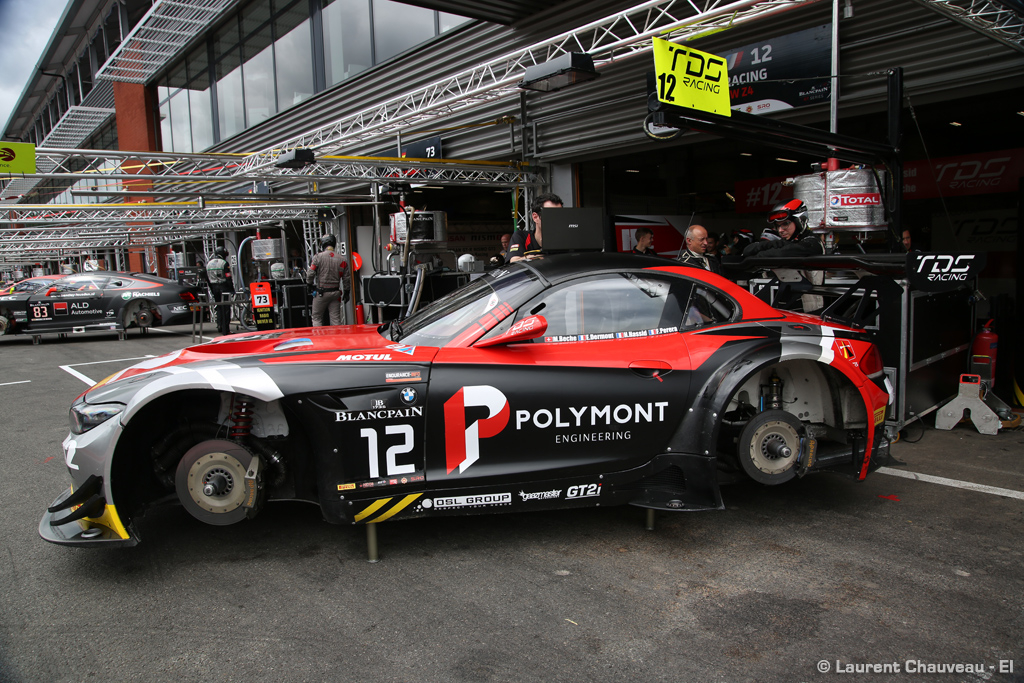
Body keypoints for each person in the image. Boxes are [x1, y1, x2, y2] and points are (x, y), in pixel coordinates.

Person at [743, 200, 825, 311]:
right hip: (785, 305)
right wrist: (769, 245)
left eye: (785, 224)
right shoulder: (786, 242)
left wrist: (760, 256)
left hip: (809, 307)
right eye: (778, 226)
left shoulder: (813, 242)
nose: (780, 230)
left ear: (800, 221)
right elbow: (747, 250)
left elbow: (782, 253)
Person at [306, 234, 349, 326]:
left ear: (323, 243)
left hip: (321, 293)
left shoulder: (318, 257)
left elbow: (310, 273)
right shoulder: (342, 259)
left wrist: (309, 284)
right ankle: (337, 335)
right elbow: (346, 278)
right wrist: (347, 292)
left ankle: (318, 335)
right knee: (336, 319)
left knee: (317, 317)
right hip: (335, 293)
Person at [507, 192, 563, 262]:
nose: (555, 219)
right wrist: (540, 257)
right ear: (535, 217)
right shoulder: (522, 237)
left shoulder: (566, 240)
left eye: (559, 214)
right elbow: (514, 261)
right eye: (550, 214)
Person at [206, 247, 233, 335]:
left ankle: (219, 325)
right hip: (223, 287)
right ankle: (226, 329)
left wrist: (212, 289)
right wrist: (232, 289)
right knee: (226, 308)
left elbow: (207, 279)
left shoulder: (209, 263)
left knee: (219, 307)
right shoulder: (224, 263)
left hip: (214, 287)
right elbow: (228, 277)